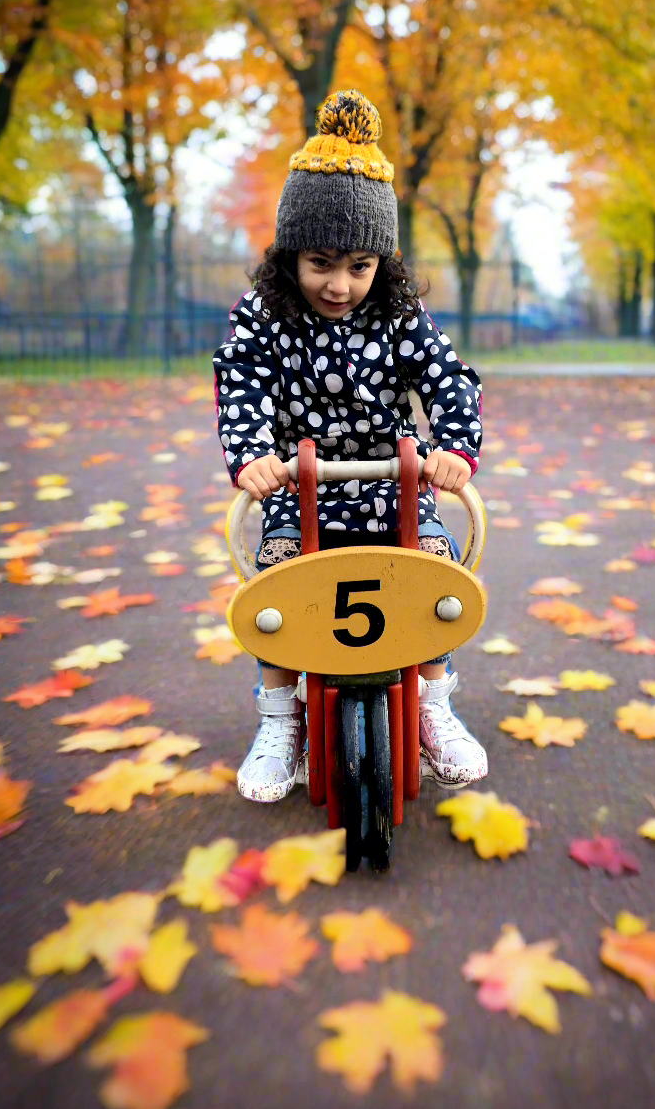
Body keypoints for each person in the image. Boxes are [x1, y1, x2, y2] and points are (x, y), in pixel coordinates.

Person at [212, 88, 487, 803]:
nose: (339, 285)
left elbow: (447, 375)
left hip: (388, 482)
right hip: (299, 486)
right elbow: (240, 376)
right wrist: (250, 457)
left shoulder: (400, 314)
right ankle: (282, 720)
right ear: (289, 255)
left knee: (431, 572)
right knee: (273, 585)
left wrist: (450, 447)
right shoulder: (266, 314)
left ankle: (432, 705)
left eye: (359, 267)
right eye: (321, 263)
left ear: (381, 265)